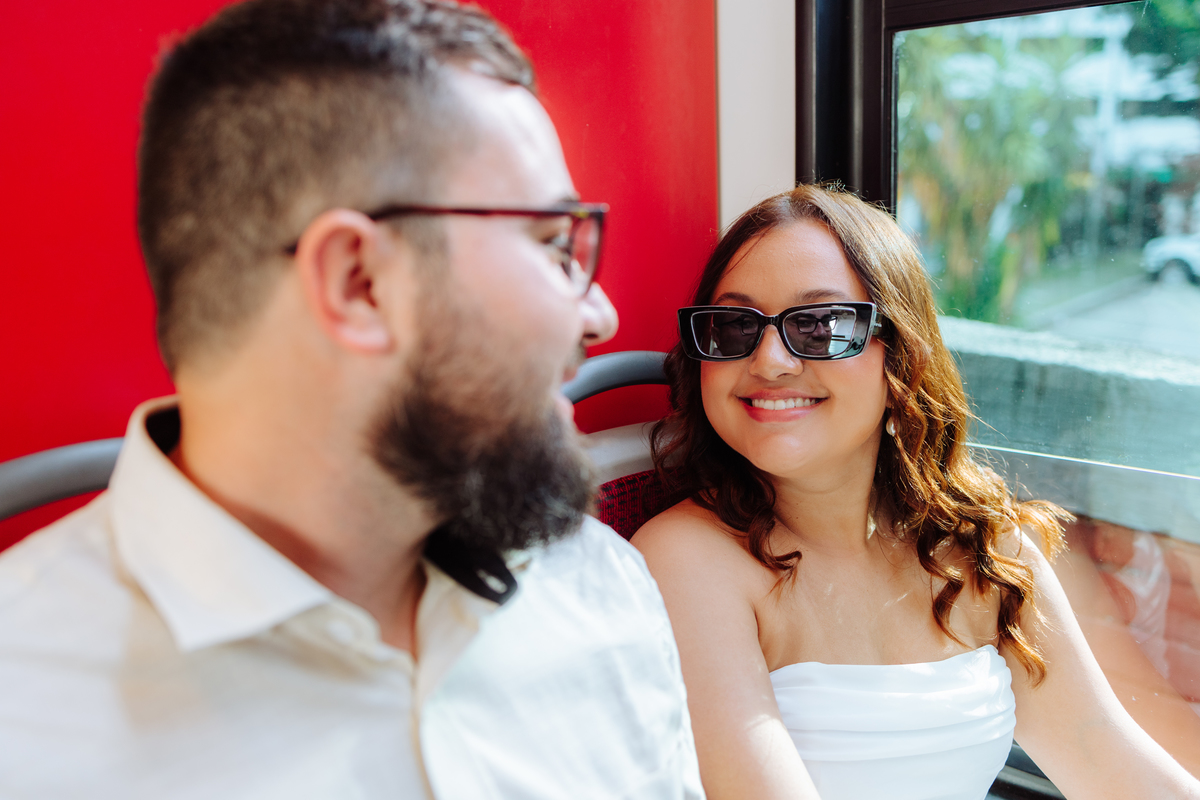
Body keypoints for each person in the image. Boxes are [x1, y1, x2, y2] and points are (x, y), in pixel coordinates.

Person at [0, 1, 703, 797]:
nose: (601, 313)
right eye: (552, 244)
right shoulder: (21, 718)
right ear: (360, 284)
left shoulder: (602, 591)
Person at [631, 184, 1200, 800]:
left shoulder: (983, 545)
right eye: (736, 325)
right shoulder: (684, 561)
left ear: (901, 355)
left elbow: (1106, 754)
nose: (769, 360)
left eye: (821, 326)